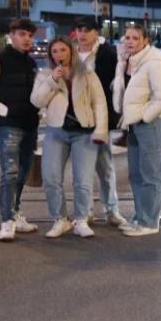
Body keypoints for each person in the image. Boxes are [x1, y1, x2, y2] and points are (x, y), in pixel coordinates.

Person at [31, 37, 109, 239]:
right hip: (56, 131)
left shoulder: (87, 73)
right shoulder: (45, 75)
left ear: (71, 52)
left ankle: (81, 219)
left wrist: (101, 130)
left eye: (63, 50)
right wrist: (52, 80)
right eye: (54, 51)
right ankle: (60, 219)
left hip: (84, 132)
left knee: (83, 179)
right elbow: (37, 101)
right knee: (51, 178)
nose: (59, 54)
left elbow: (99, 103)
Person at [0, 19, 41, 242]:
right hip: (8, 126)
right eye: (22, 34)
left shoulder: (31, 63)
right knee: (10, 173)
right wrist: (5, 112)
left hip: (30, 124)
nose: (27, 39)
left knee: (23, 172)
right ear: (11, 35)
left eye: (30, 35)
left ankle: (15, 213)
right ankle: (7, 221)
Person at [113, 25, 161, 237]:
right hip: (133, 124)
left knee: (151, 175)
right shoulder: (129, 62)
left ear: (145, 41)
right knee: (136, 174)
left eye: (135, 38)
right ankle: (140, 217)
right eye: (127, 37)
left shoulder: (154, 63)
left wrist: (145, 116)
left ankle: (149, 222)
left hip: (150, 124)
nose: (129, 41)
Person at [72, 16, 125, 227]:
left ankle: (112, 210)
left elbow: (116, 85)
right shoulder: (70, 52)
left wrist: (115, 115)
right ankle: (85, 211)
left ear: (96, 32)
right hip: (76, 119)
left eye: (87, 30)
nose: (82, 34)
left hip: (100, 118)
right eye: (79, 29)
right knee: (81, 171)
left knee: (105, 167)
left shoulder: (107, 54)